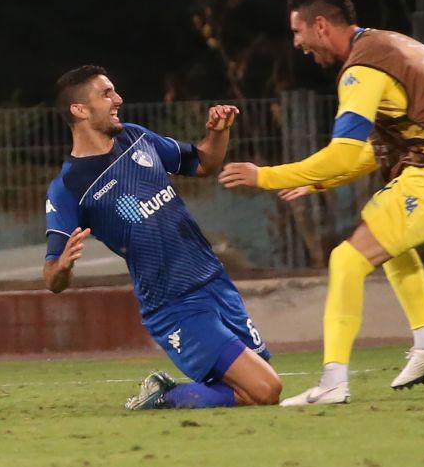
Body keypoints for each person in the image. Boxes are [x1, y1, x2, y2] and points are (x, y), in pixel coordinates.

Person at [218, 0, 424, 406]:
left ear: (320, 25)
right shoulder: (388, 44)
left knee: (346, 259)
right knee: (385, 234)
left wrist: (265, 176)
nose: (296, 43)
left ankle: (334, 381)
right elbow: (371, 153)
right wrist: (319, 181)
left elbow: (343, 153)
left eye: (297, 31)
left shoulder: (362, 70)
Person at [44, 65, 282, 410]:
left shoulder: (136, 138)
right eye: (106, 93)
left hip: (214, 281)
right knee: (266, 389)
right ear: (79, 109)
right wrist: (64, 266)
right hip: (174, 304)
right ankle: (166, 396)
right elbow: (51, 277)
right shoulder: (68, 186)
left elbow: (202, 164)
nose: (118, 99)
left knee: (254, 385)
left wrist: (218, 133)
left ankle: (172, 395)